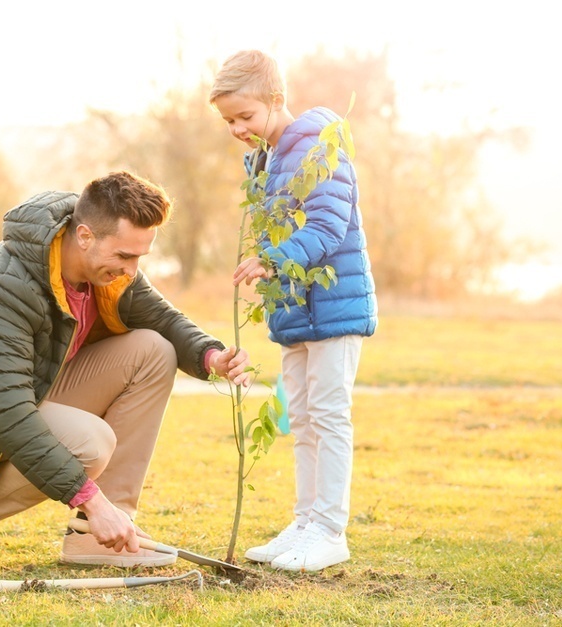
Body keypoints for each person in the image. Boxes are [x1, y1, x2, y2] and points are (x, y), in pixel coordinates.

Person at [0, 171, 251, 570]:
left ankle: (96, 538)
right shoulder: (7, 285)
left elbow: (162, 318)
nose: (131, 270)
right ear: (85, 236)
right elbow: (5, 412)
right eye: (125, 256)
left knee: (153, 350)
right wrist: (91, 500)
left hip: (24, 397)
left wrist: (211, 356)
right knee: (90, 442)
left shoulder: (105, 268)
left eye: (138, 257)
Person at [209, 50, 378, 572]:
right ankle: (305, 522)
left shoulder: (316, 146)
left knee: (328, 415)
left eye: (246, 117)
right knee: (300, 418)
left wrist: (271, 260)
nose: (238, 129)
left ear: (276, 100)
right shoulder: (264, 160)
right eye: (229, 121)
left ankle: (330, 530)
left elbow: (327, 225)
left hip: (332, 308)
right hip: (295, 314)